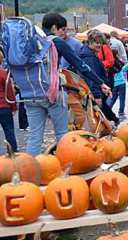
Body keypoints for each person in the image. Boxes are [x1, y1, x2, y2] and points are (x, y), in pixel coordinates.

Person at [22, 14, 110, 155]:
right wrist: (100, 83)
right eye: (62, 29)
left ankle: (29, 172)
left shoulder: (30, 43)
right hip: (53, 93)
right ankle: (65, 167)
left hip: (30, 94)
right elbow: (80, 65)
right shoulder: (56, 42)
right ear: (54, 27)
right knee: (62, 134)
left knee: (34, 136)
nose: (64, 33)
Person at [0, 51, 18, 152]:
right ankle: (13, 153)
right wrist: (13, 107)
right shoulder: (3, 73)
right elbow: (9, 92)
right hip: (4, 106)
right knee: (9, 131)